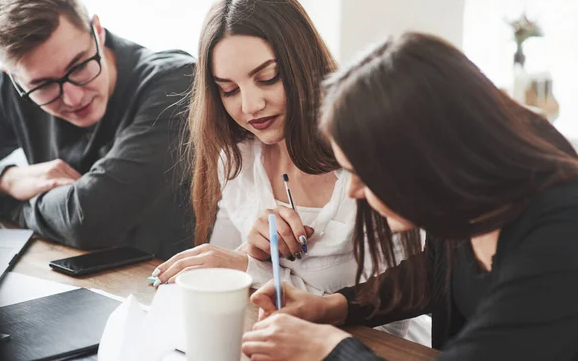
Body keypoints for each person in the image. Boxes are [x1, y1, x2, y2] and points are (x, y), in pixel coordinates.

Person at [242, 32, 578, 361]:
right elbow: (436, 272)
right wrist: (334, 306)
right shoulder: (468, 195)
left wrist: (328, 349)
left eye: (362, 174)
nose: (352, 190)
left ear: (423, 159)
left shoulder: (560, 237)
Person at [150, 0, 422, 339]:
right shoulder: (238, 159)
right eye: (229, 90)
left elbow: (391, 316)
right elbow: (232, 282)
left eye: (267, 78)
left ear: (302, 64)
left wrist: (249, 267)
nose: (250, 106)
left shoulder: (366, 161)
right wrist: (252, 253)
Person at [0, 0, 195, 259]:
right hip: (52, 276)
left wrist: (9, 200)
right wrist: (8, 180)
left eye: (79, 65)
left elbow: (90, 220)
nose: (73, 98)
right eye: (42, 85)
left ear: (98, 30)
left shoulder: (176, 84)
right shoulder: (5, 90)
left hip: (162, 289)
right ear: (13, 77)